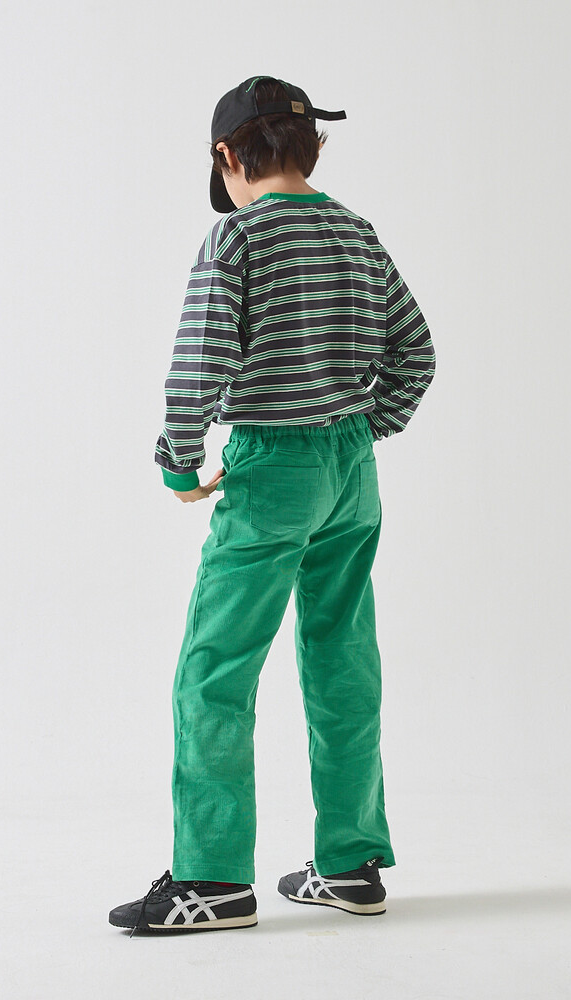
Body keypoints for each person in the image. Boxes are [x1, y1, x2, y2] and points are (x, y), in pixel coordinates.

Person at [109, 75, 436, 935]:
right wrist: (367, 426)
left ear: (226, 155)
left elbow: (199, 363)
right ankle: (352, 865)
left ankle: (213, 880)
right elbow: (417, 351)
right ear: (314, 146)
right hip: (351, 473)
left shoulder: (238, 238)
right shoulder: (356, 232)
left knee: (216, 671)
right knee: (342, 662)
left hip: (273, 472)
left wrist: (180, 463)